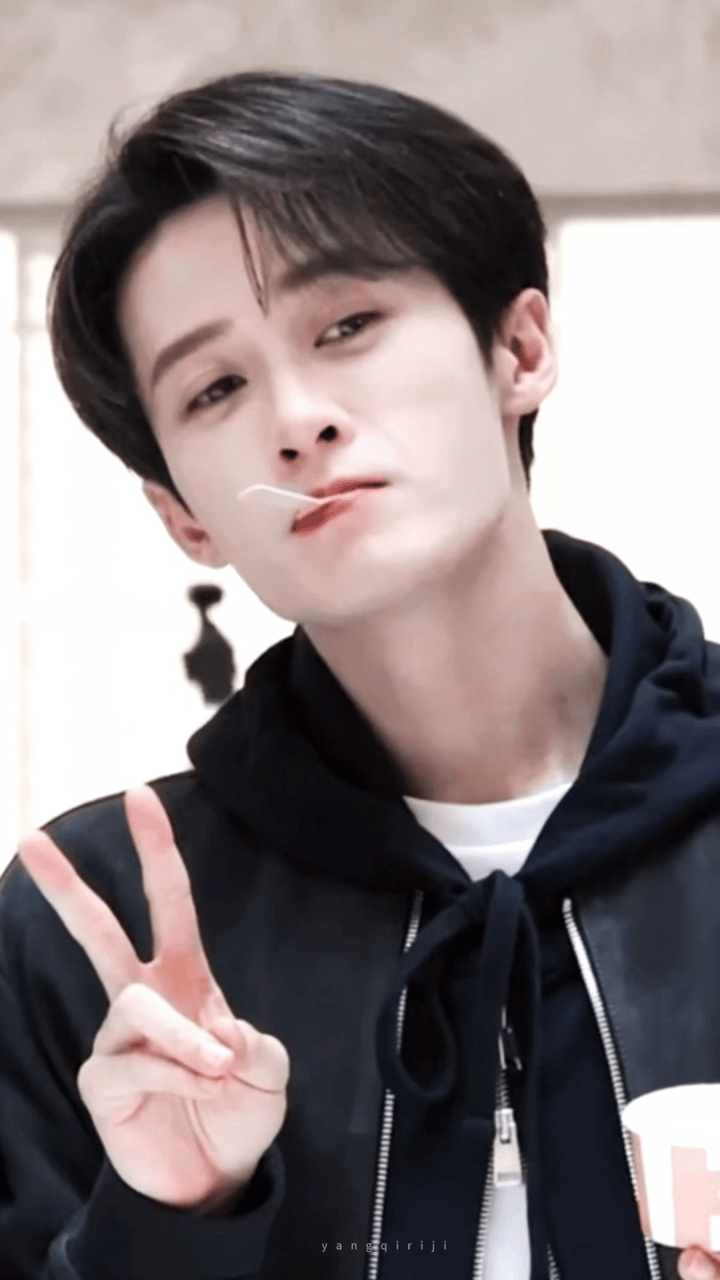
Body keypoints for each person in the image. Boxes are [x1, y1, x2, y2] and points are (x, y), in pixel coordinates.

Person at [0, 70, 717, 1280]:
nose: (298, 418)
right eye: (215, 387)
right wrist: (171, 1219)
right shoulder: (99, 932)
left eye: (346, 326)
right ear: (184, 515)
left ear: (519, 347)